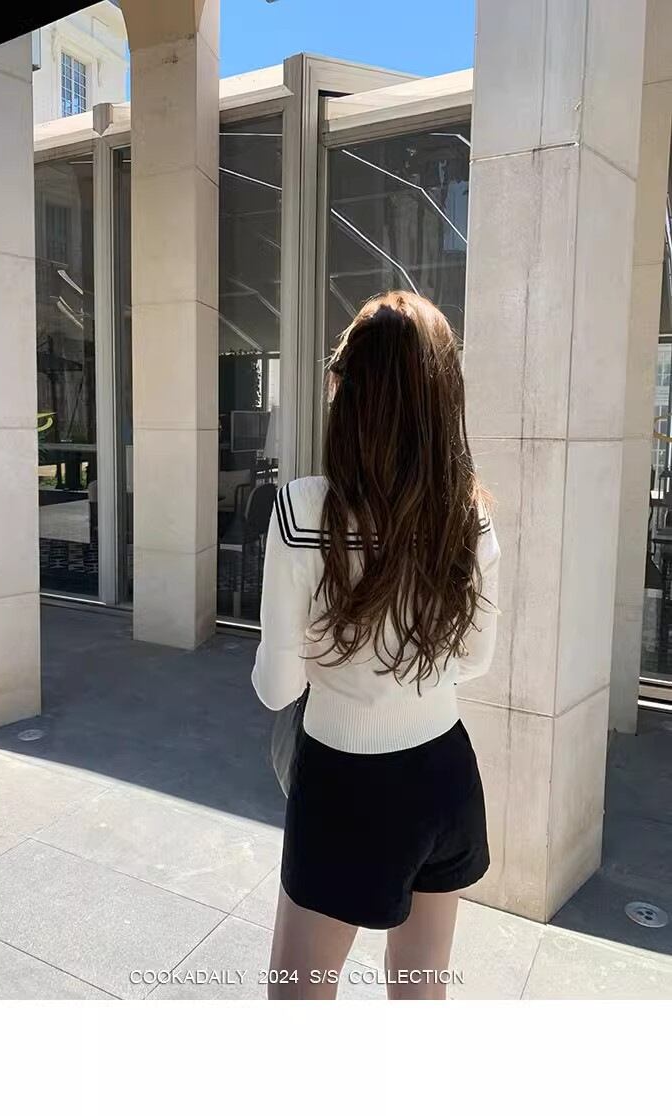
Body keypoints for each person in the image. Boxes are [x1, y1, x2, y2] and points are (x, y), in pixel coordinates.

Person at [252, 291, 500, 1000]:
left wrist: (328, 649)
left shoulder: (303, 511)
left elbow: (277, 689)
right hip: (445, 775)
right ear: (442, 400)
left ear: (350, 393)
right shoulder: (470, 518)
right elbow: (475, 659)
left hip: (345, 786)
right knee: (419, 994)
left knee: (296, 1000)